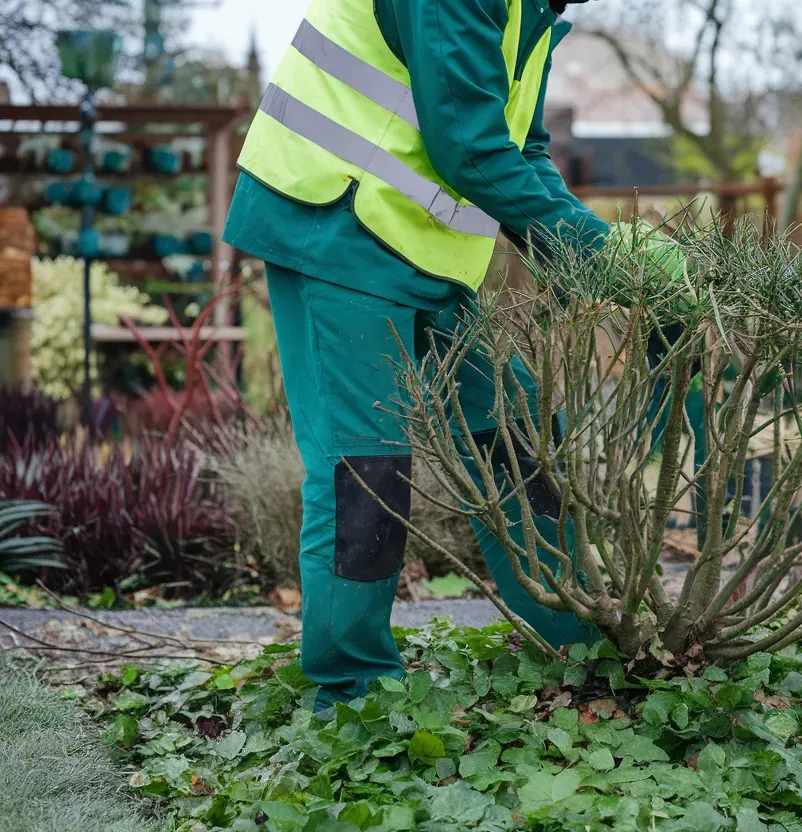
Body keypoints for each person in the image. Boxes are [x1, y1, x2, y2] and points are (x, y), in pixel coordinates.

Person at [224, 0, 687, 711]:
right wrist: (598, 257)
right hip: (334, 225)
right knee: (366, 468)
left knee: (515, 436)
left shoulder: (533, 10)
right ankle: (351, 697)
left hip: (421, 253)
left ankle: (577, 645)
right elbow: (468, 145)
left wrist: (586, 254)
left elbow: (520, 149)